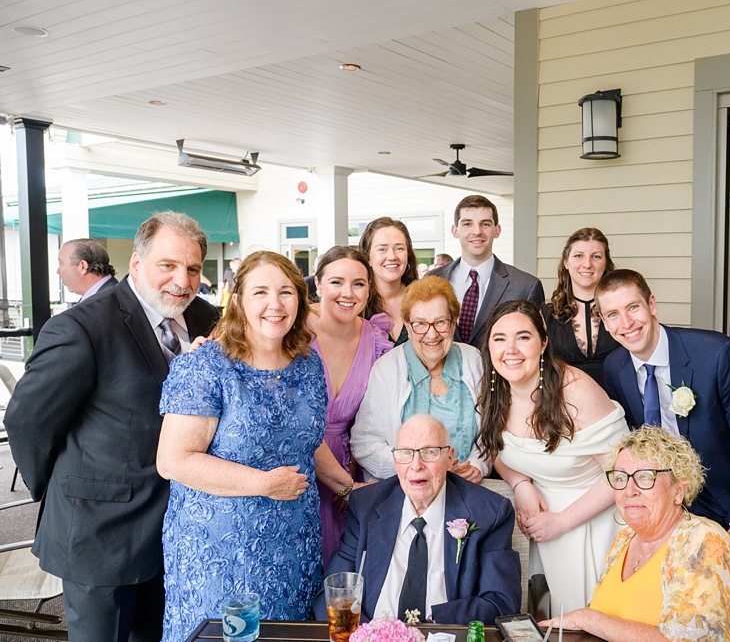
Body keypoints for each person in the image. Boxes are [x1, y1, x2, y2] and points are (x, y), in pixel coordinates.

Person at [6, 212, 220, 642]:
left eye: (193, 268)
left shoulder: (207, 319)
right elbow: (26, 421)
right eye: (168, 265)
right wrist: (59, 488)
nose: (183, 280)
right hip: (100, 536)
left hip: (183, 532)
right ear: (137, 264)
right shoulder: (82, 327)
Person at [155, 251, 330, 640]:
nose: (275, 304)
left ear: (300, 300)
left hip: (294, 542)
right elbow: (173, 460)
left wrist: (350, 485)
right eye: (261, 292)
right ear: (237, 300)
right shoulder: (204, 366)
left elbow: (306, 442)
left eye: (286, 292)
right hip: (220, 550)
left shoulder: (308, 363)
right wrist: (263, 484)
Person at [593, 269, 730, 637]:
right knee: (668, 617)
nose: (626, 323)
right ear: (605, 322)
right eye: (612, 314)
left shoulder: (717, 354)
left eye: (633, 308)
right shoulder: (616, 368)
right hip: (667, 516)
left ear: (652, 305)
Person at [483, 299, 631, 616]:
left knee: (589, 621)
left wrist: (561, 523)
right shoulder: (497, 387)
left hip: (593, 522)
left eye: (523, 337)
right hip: (538, 520)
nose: (511, 349)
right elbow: (496, 447)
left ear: (543, 342)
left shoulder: (575, 391)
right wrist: (520, 484)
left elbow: (622, 473)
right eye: (499, 338)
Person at [543, 428, 730, 641]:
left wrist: (588, 619)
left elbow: (690, 639)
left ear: (679, 490)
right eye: (621, 478)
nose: (629, 490)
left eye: (645, 477)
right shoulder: (623, 540)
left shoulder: (703, 539)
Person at [328, 415, 521, 625]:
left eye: (430, 452)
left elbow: (500, 604)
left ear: (449, 458)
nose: (416, 465)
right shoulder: (366, 505)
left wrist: (432, 623)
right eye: (405, 454)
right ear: (395, 461)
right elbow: (332, 594)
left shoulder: (489, 512)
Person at [355, 278, 489, 482]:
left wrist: (478, 465)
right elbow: (364, 443)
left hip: (466, 486)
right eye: (420, 324)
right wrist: (414, 470)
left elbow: (491, 431)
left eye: (441, 322)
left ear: (454, 322)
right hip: (406, 488)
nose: (432, 334)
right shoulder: (388, 367)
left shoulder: (473, 360)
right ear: (407, 326)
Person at [311, 246, 398, 563]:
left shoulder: (375, 338)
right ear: (318, 284)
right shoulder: (293, 332)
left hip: (350, 473)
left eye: (358, 284)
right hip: (299, 464)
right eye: (336, 282)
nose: (347, 293)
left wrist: (358, 485)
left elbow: (379, 417)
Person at [426, 195, 545, 347]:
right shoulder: (432, 280)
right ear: (455, 230)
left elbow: (534, 345)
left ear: (497, 230)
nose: (477, 231)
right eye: (467, 224)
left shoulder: (526, 287)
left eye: (485, 224)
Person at [548, 228, 624, 380]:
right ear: (566, 263)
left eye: (596, 256)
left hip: (620, 399)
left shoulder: (623, 309)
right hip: (565, 399)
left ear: (605, 263)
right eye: (578, 256)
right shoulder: (547, 315)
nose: (587, 264)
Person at [359, 217, 422, 343]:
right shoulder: (356, 303)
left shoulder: (423, 299)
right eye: (382, 249)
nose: (392, 256)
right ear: (367, 258)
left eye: (399, 248)